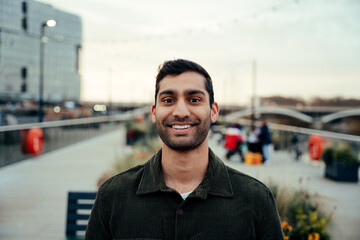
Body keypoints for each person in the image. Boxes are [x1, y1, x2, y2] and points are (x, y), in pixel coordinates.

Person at [85, 59, 284, 240]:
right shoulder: (113, 196)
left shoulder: (257, 200)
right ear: (154, 113)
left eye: (194, 99)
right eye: (169, 100)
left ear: (213, 111)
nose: (181, 112)